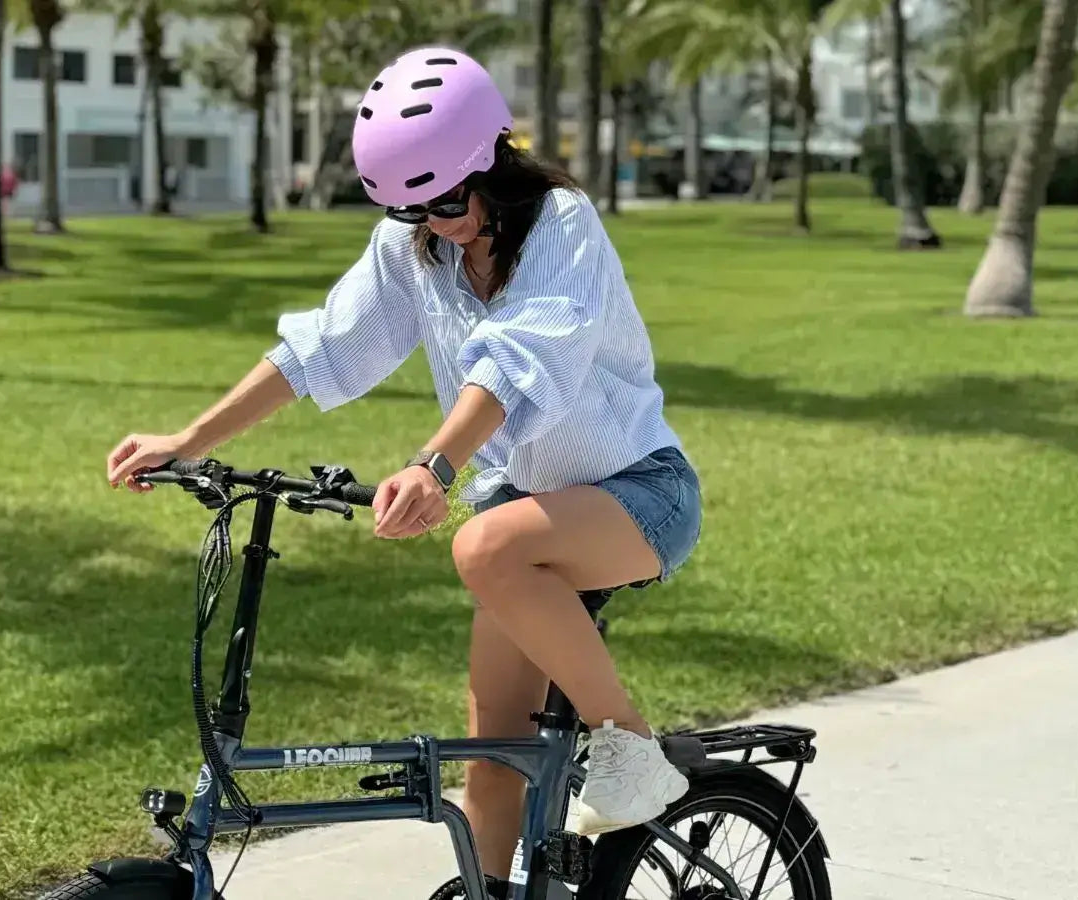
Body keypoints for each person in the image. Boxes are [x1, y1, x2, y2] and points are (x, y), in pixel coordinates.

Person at [106, 47, 701, 893]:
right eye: (411, 204)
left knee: (485, 547)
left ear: (493, 154)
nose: (435, 219)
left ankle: (631, 748)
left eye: (448, 196)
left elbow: (518, 360)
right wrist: (191, 438)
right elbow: (323, 347)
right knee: (493, 755)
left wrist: (435, 464)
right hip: (524, 509)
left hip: (639, 493)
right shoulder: (417, 241)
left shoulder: (562, 222)